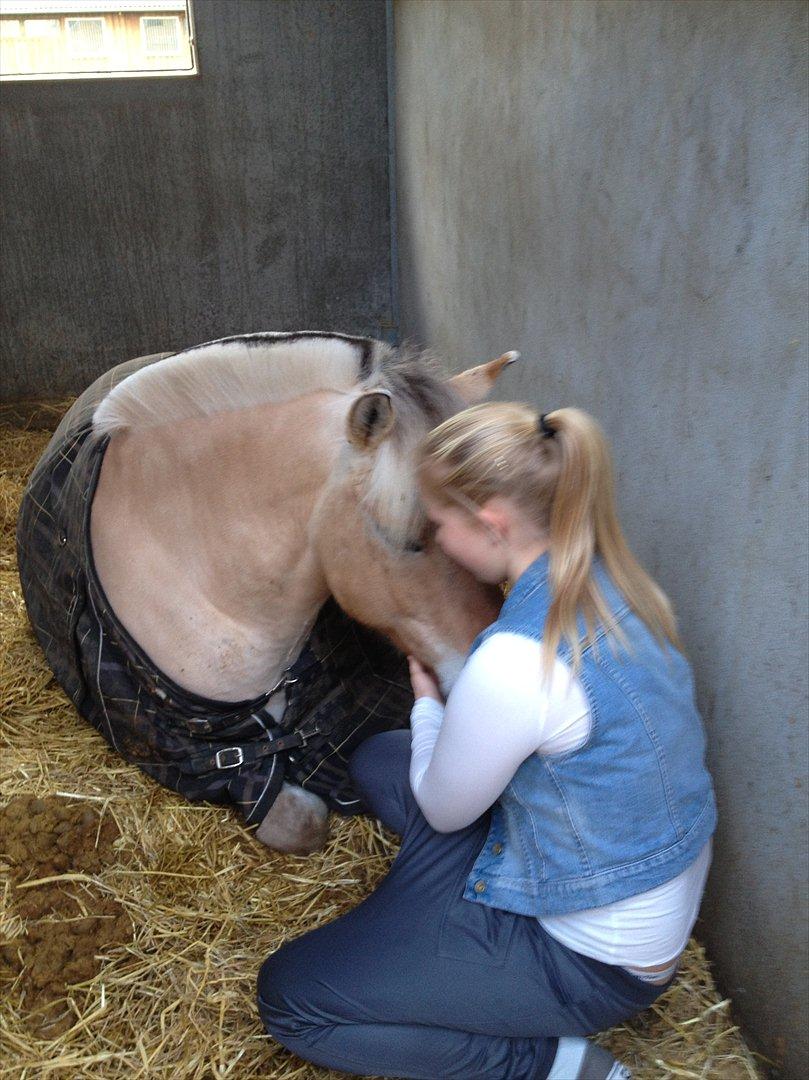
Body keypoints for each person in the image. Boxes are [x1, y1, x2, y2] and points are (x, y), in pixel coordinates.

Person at [257, 402, 718, 1079]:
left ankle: (548, 1065)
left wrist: (427, 708)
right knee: (379, 761)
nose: (437, 540)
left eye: (440, 523)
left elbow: (446, 811)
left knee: (293, 997)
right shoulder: (615, 581)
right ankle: (433, 911)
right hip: (630, 879)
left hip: (591, 957)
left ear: (491, 523)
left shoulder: (514, 660)